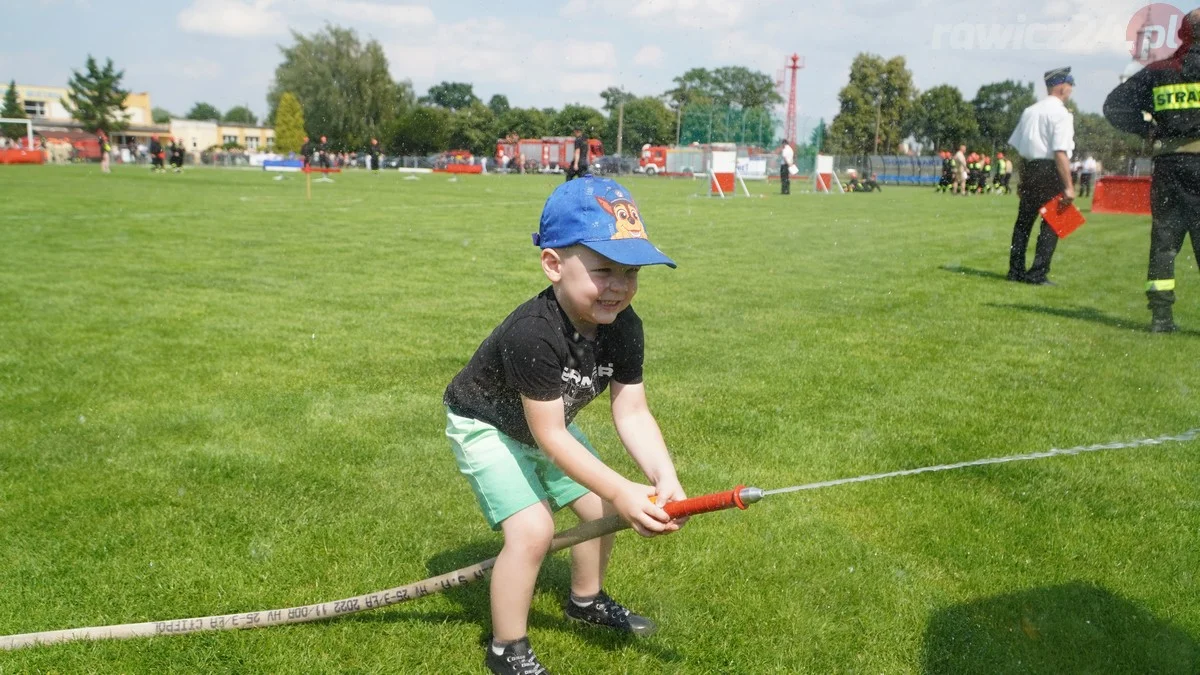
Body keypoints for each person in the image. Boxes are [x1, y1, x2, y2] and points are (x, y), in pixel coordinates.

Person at [443, 176, 685, 674]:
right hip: (486, 425)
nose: (619, 286)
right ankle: (506, 649)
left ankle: (585, 599)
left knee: (598, 507)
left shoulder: (625, 326)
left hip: (547, 420)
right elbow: (550, 437)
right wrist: (624, 490)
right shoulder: (534, 333)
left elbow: (632, 411)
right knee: (532, 531)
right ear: (554, 264)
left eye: (631, 271)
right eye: (603, 271)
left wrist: (665, 478)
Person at [1103, 9, 1200, 332]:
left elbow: (1114, 106)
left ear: (1182, 33)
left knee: (1164, 242)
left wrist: (1146, 129)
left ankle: (1161, 318)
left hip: (1169, 166)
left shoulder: (1159, 71)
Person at [1005, 66, 1077, 285]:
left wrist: (1022, 178)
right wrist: (1069, 187)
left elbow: (1019, 149)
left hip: (1030, 168)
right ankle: (1037, 274)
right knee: (1053, 223)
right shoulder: (1061, 113)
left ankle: (1015, 271)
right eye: (1070, 85)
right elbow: (1060, 152)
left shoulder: (1030, 111)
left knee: (1023, 224)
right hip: (1051, 170)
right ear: (1063, 86)